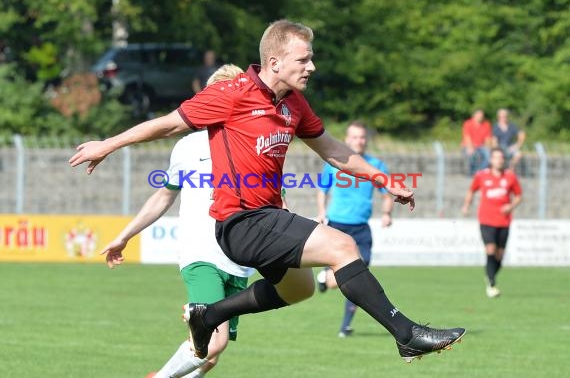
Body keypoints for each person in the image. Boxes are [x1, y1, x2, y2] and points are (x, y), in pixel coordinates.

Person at [69, 19, 465, 364]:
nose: (311, 66)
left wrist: (384, 179)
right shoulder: (232, 93)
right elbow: (168, 124)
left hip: (267, 217)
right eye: (303, 59)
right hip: (240, 222)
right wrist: (107, 144)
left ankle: (206, 316)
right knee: (343, 247)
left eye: (311, 58)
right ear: (275, 62)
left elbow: (334, 151)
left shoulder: (294, 103)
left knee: (299, 289)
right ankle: (407, 335)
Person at [102, 65, 251, 378]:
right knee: (214, 341)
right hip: (202, 253)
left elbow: (277, 200)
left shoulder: (256, 146)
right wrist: (124, 235)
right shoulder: (189, 146)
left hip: (239, 259)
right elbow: (163, 197)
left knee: (209, 356)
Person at [315, 120, 393, 338]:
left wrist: (387, 213)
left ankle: (344, 323)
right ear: (347, 139)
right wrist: (321, 212)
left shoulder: (375, 165)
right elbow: (322, 190)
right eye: (355, 137)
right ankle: (327, 281)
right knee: (347, 276)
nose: (359, 140)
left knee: (359, 276)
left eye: (362, 137)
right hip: (338, 226)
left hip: (361, 228)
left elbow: (387, 194)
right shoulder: (334, 163)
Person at [462, 148, 522, 298]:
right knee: (490, 249)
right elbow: (471, 191)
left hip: (504, 221)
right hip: (486, 220)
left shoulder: (510, 177)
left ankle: (490, 275)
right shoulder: (481, 176)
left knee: (499, 256)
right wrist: (466, 206)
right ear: (491, 160)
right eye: (496, 157)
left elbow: (519, 195)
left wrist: (511, 206)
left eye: (501, 158)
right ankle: (491, 285)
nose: (499, 160)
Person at [462, 109, 492, 176]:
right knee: (471, 154)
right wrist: (470, 147)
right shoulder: (468, 123)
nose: (480, 116)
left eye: (481, 115)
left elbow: (488, 138)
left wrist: (488, 147)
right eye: (478, 115)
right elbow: (467, 137)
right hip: (468, 145)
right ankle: (471, 172)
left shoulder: (486, 124)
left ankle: (479, 171)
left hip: (481, 146)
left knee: (489, 155)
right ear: (474, 115)